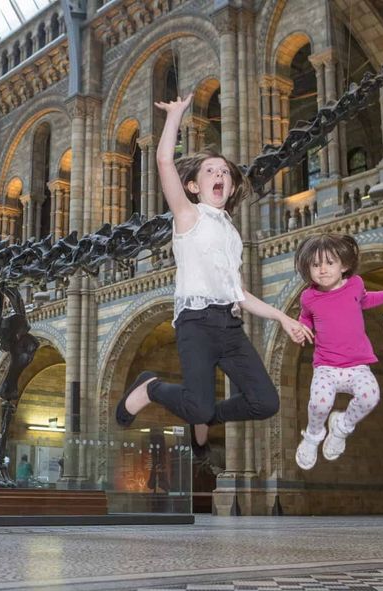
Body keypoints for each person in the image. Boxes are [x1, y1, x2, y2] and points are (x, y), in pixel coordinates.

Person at [115, 93, 311, 452]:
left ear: (232, 186)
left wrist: (283, 318)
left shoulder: (232, 234)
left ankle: (204, 414)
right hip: (196, 324)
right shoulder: (188, 216)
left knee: (265, 402)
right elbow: (163, 162)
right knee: (197, 403)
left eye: (225, 172)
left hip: (230, 326)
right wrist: (175, 115)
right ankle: (151, 387)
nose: (219, 174)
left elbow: (238, 293)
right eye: (210, 171)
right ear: (194, 186)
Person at [293, 234, 383, 470]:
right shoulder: (308, 297)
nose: (322, 270)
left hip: (357, 366)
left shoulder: (356, 284)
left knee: (370, 396)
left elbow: (365, 300)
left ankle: (341, 428)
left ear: (344, 265)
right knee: (319, 404)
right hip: (326, 366)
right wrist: (301, 330)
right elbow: (304, 319)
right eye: (315, 265)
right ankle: (313, 436)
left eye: (329, 263)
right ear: (307, 269)